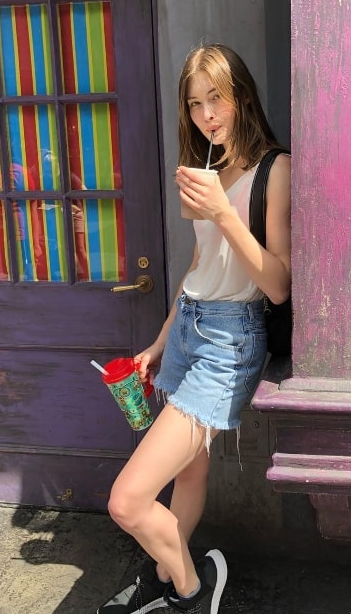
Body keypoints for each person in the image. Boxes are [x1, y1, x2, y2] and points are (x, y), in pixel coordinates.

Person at [97, 43, 291, 614]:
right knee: (189, 471)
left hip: (232, 340)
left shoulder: (274, 170)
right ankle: (165, 571)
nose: (208, 114)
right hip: (188, 328)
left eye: (217, 99)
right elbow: (197, 268)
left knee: (127, 502)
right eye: (195, 103)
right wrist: (160, 342)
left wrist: (224, 212)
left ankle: (191, 592)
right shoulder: (206, 168)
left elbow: (278, 284)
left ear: (241, 98)